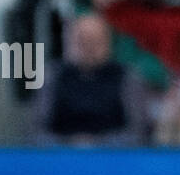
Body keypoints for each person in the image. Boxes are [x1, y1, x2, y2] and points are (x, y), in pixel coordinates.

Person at [31, 14, 148, 146]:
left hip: (114, 158)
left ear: (108, 43)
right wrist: (67, 145)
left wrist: (100, 145)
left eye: (94, 41)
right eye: (81, 41)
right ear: (69, 41)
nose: (88, 48)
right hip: (60, 157)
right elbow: (37, 129)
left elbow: (138, 130)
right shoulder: (52, 76)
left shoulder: (127, 78)